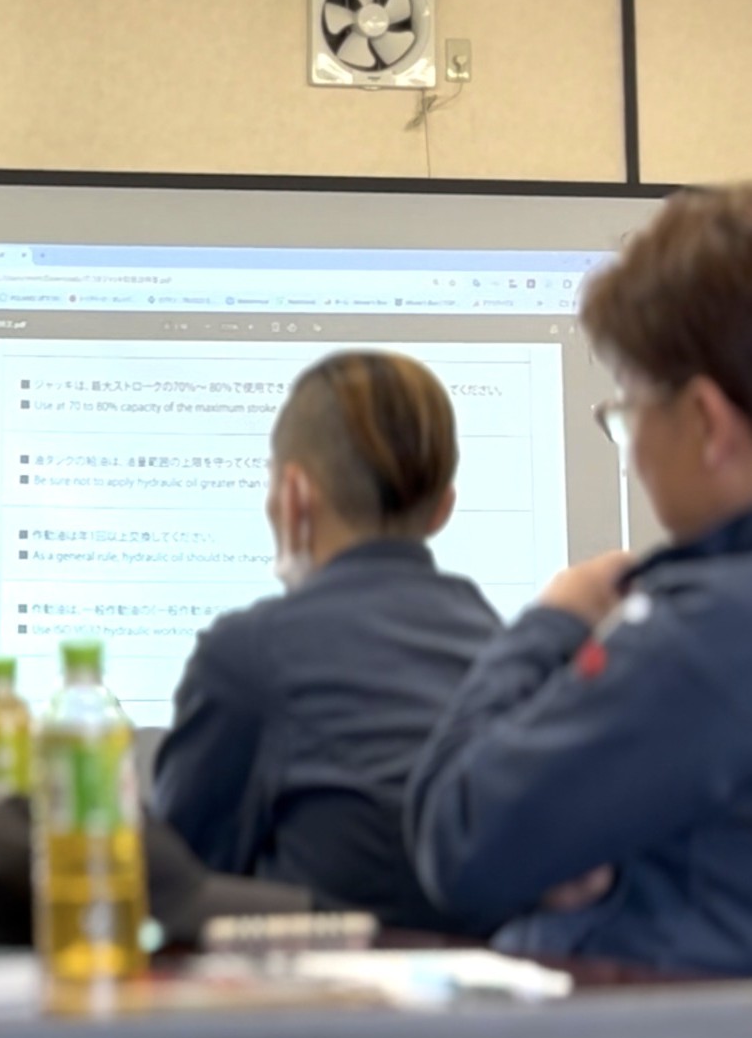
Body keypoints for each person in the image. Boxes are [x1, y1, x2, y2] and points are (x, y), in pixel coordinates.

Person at [409, 185, 752, 973]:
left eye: (630, 411)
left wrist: (553, 620)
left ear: (705, 421)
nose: (632, 453)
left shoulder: (701, 635)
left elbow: (459, 834)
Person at [154, 350, 503, 934]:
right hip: (490, 983)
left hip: (320, 984)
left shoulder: (250, 654)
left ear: (293, 495)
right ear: (443, 509)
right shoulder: (499, 643)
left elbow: (174, 882)